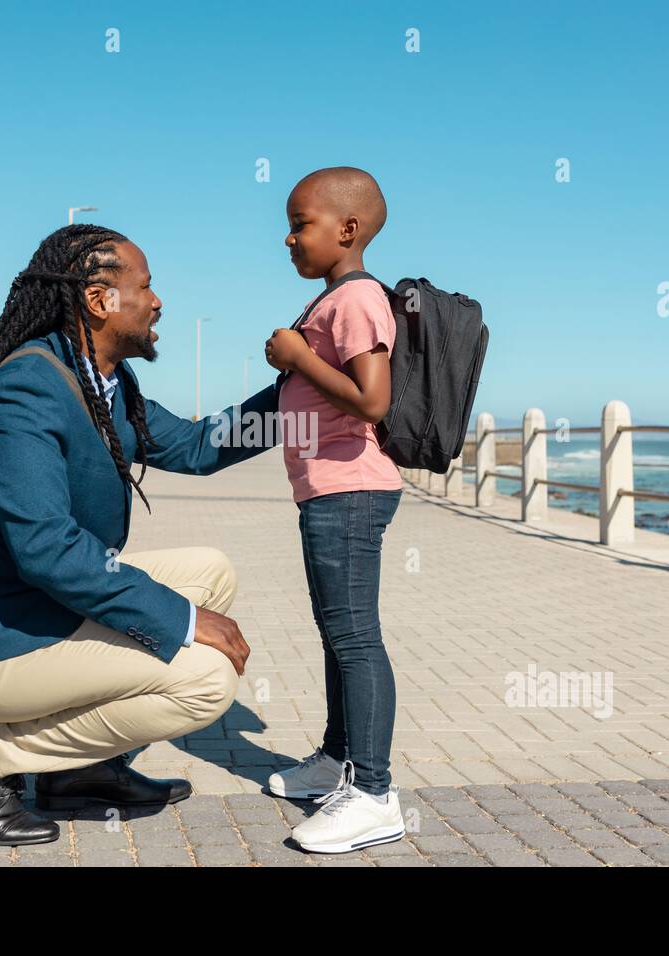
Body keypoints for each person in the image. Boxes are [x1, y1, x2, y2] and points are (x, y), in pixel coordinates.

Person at [0, 224, 278, 846]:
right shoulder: (28, 387)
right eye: (147, 287)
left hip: (31, 603)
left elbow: (200, 444)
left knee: (211, 570)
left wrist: (300, 387)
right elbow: (46, 549)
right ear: (100, 300)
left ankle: (77, 773)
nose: (159, 303)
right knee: (205, 679)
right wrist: (180, 620)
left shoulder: (104, 383)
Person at [263, 167, 405, 853]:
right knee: (335, 632)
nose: (288, 238)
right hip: (326, 488)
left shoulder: (357, 299)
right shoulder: (331, 303)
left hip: (351, 487)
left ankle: (374, 793)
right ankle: (334, 758)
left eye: (301, 224)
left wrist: (295, 354)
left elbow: (370, 399)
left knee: (354, 636)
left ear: (347, 230)